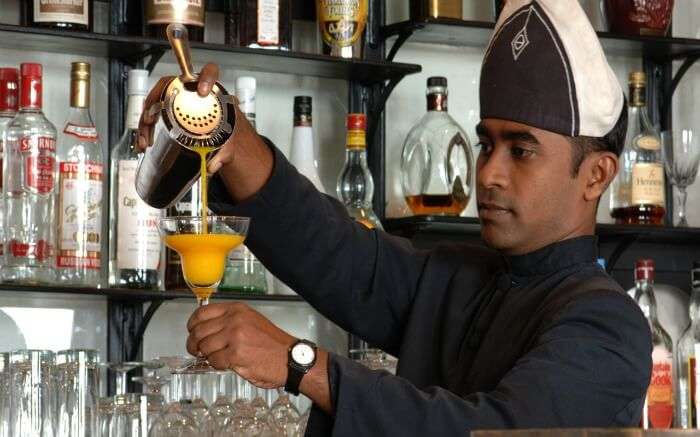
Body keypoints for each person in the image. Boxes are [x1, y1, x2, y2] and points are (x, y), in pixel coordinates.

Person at [138, 0, 652, 434]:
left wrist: (300, 365)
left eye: (521, 151)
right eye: (486, 144)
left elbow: (492, 431)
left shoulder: (607, 325)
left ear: (596, 175)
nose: (489, 173)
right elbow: (330, 249)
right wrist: (221, 127)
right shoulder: (458, 278)